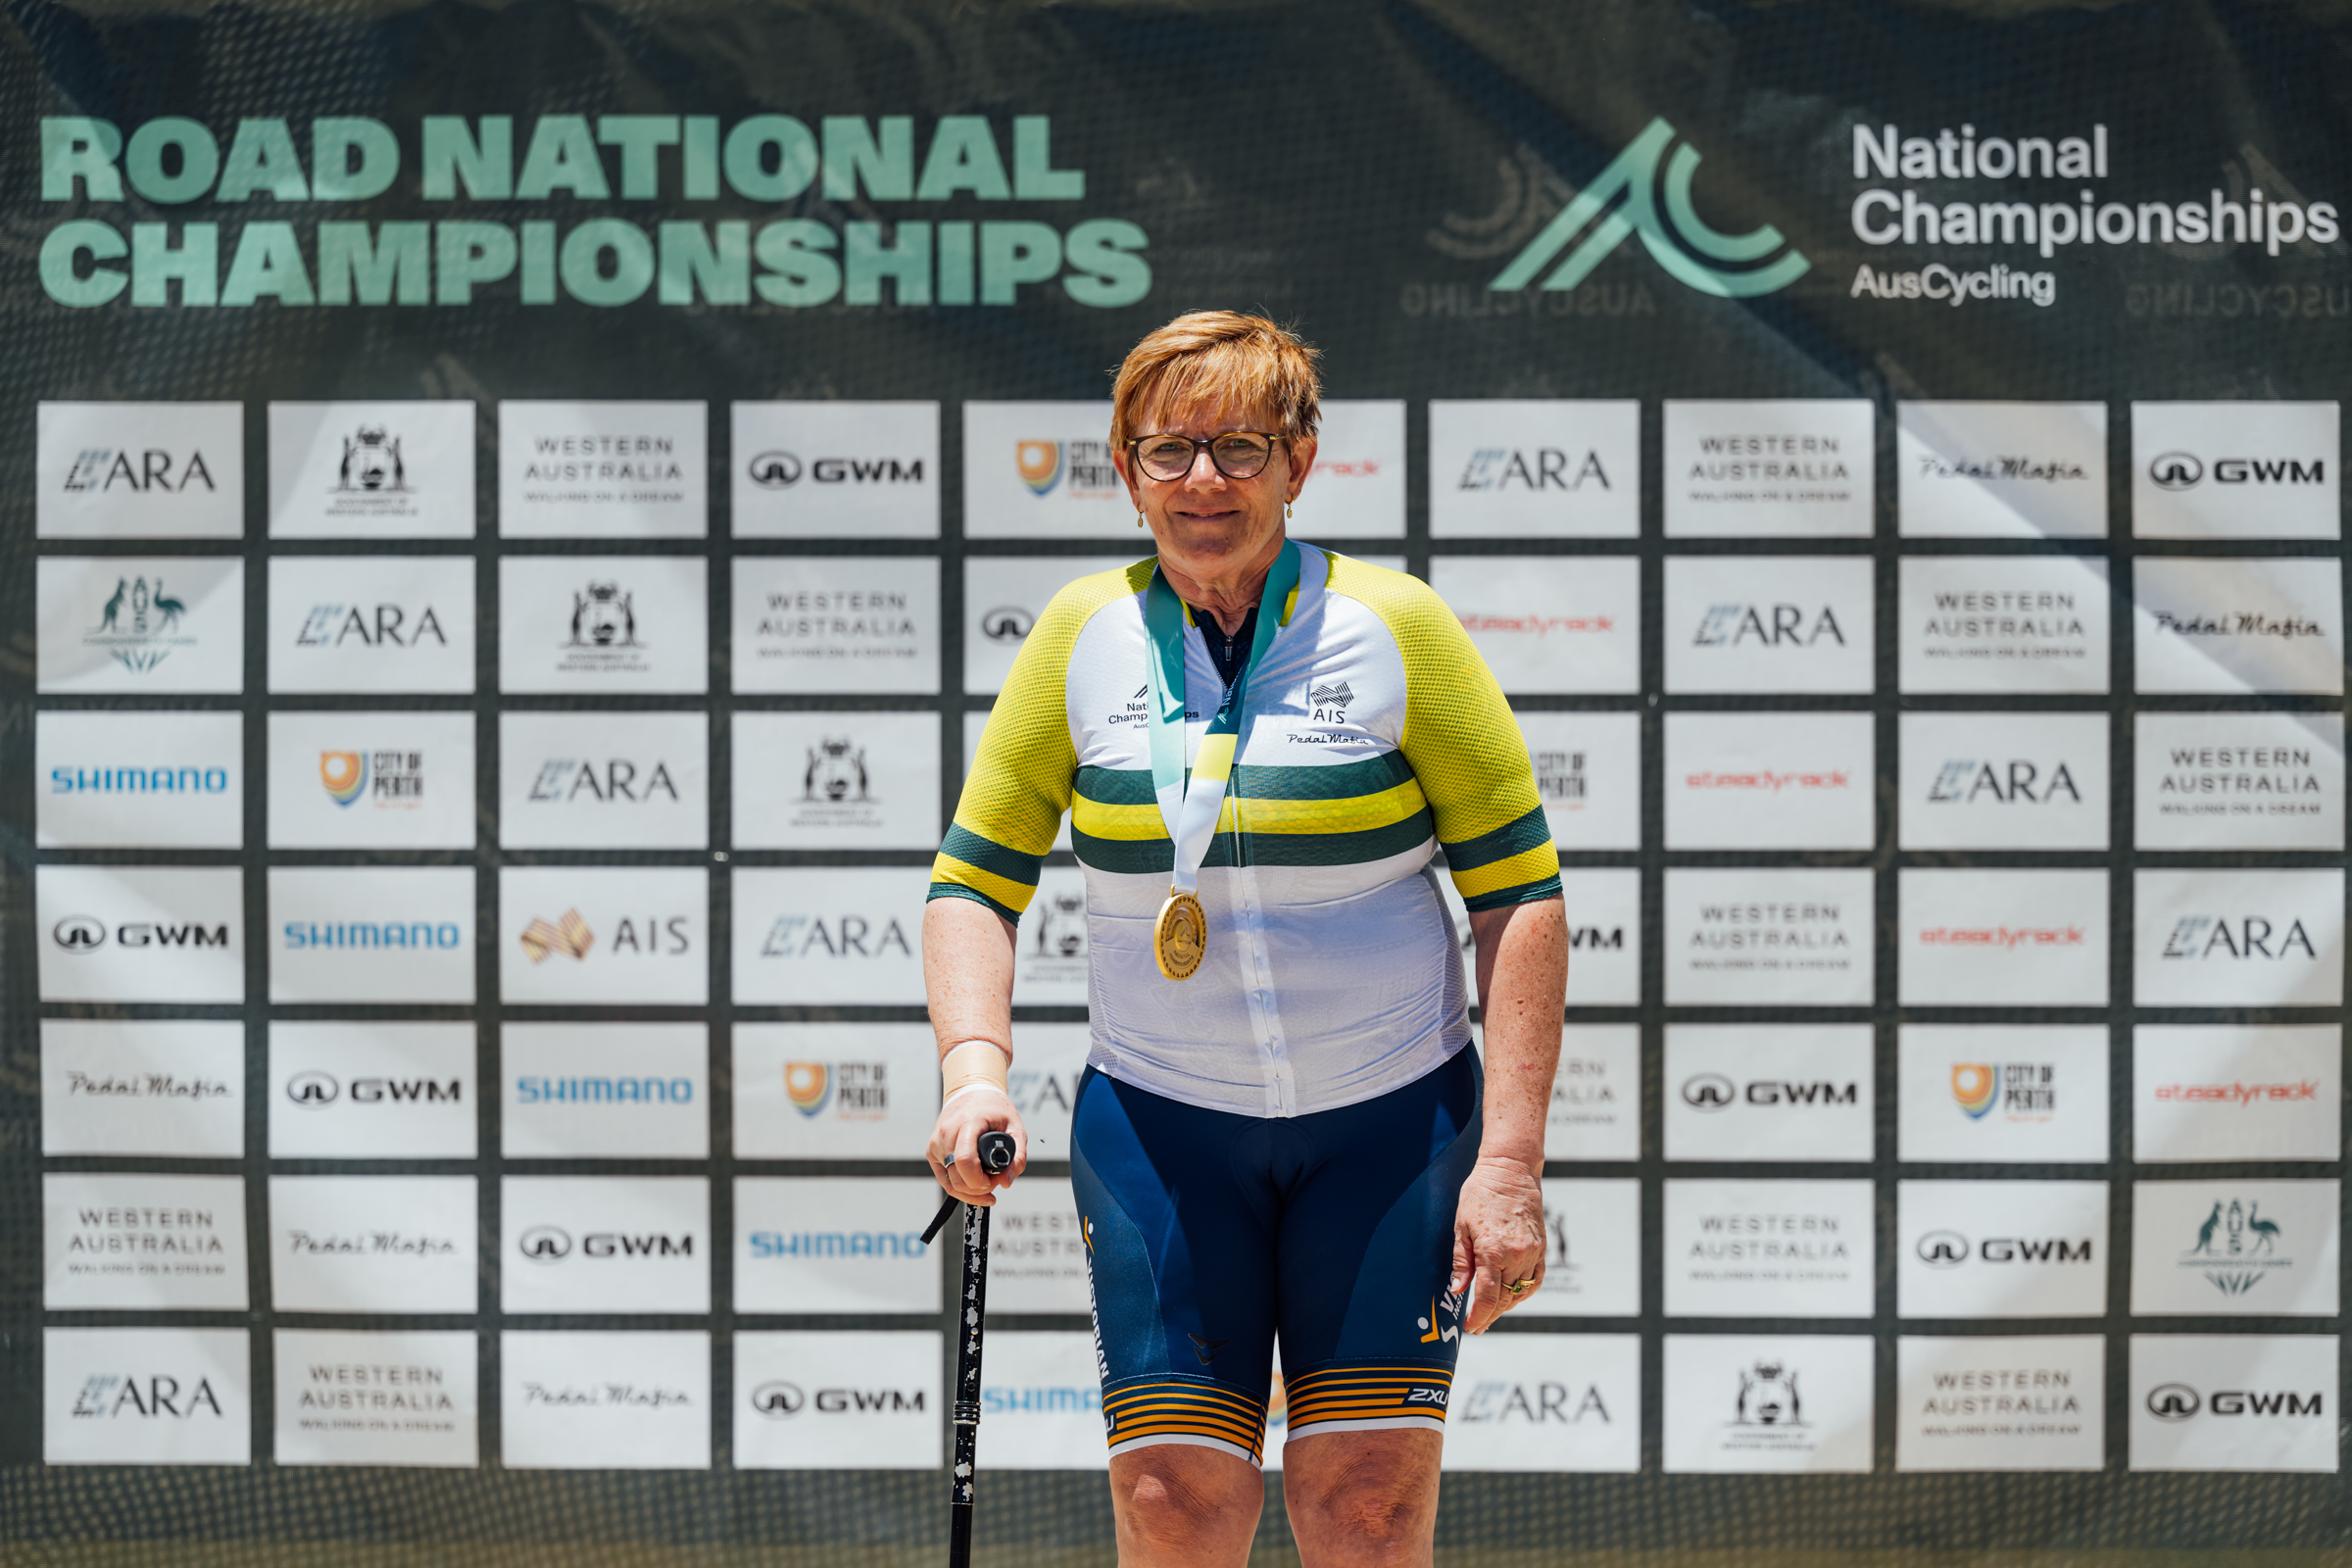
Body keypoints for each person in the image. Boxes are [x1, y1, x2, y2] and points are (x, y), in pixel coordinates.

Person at [924, 311, 1567, 1568]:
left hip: (1389, 1124)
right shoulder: (1078, 638)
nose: (1204, 480)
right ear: (1124, 470)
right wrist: (973, 1072)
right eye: (1169, 451)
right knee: (1173, 1502)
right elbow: (972, 883)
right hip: (1167, 1128)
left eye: (1240, 446)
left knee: (1366, 1507)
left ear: (1299, 462)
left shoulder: (1399, 628)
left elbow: (1521, 897)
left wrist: (1512, 1164)